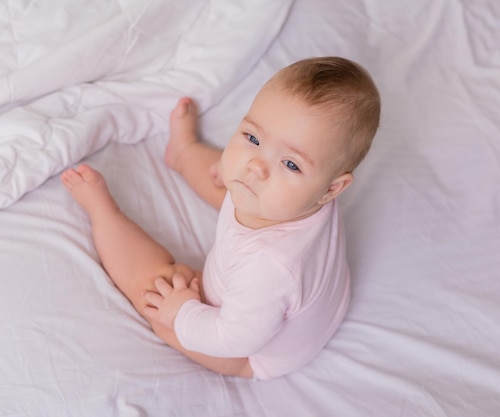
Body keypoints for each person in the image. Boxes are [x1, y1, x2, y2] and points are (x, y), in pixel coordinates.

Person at [60, 56, 381, 380]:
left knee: (157, 296)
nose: (258, 165)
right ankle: (184, 151)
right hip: (307, 309)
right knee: (229, 177)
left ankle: (104, 214)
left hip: (252, 352)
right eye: (253, 138)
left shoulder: (269, 267)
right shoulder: (305, 196)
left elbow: (232, 338)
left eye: (291, 164)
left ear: (332, 188)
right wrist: (261, 170)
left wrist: (182, 313)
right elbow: (255, 170)